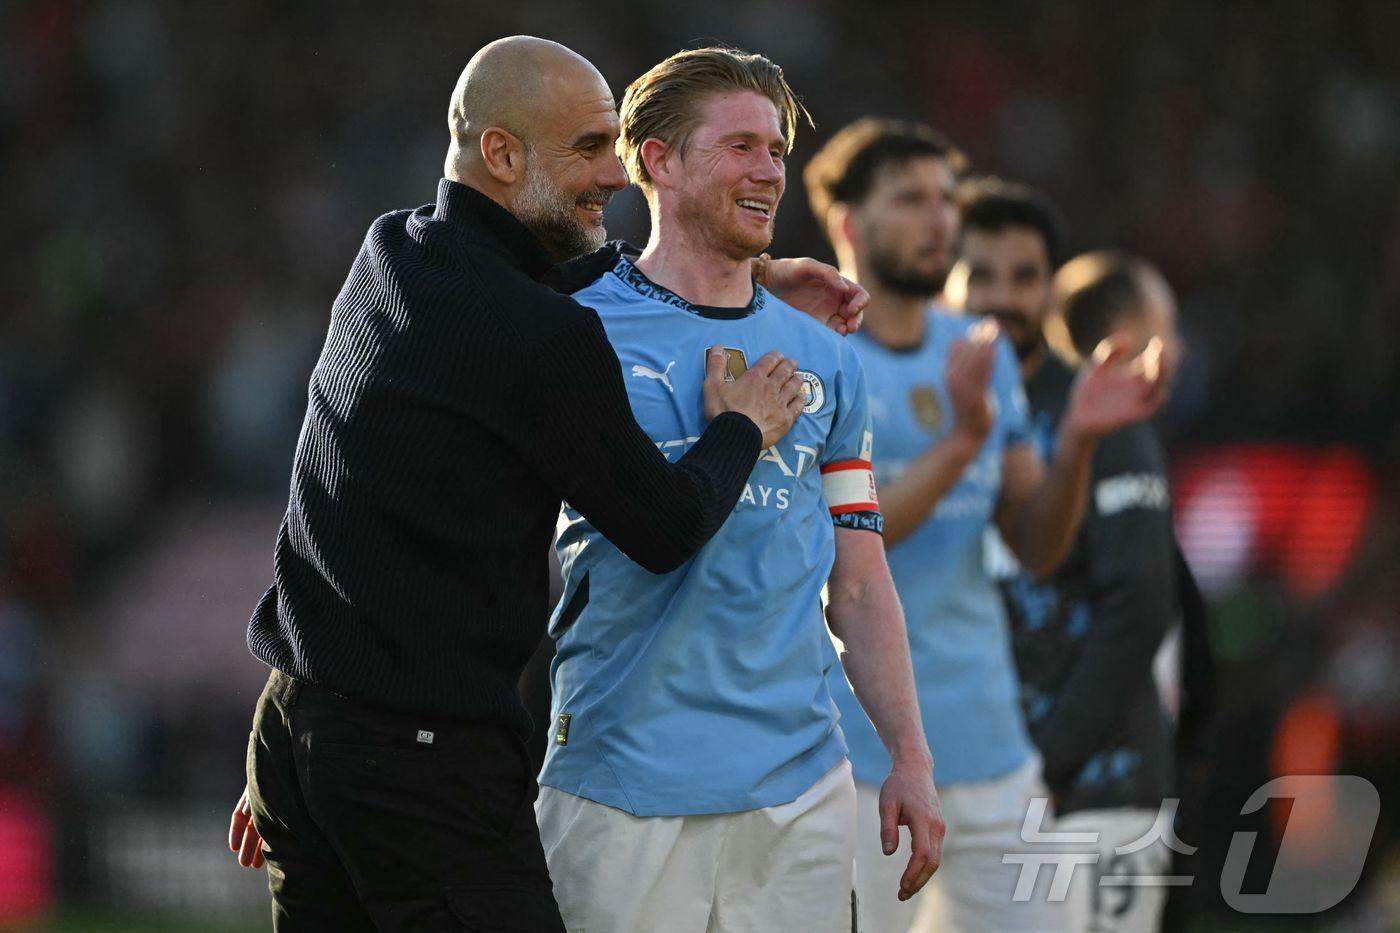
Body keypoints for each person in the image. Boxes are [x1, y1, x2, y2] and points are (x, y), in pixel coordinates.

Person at [227, 36, 866, 931]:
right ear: (502, 153)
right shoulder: (543, 337)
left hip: (298, 725)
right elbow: (666, 526)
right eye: (589, 147)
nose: (614, 173)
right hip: (422, 751)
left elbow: (542, 267)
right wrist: (741, 427)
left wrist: (748, 272)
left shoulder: (393, 250)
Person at [531, 48, 941, 933]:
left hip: (799, 794)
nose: (769, 171)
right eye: (741, 147)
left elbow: (859, 581)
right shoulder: (572, 328)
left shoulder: (826, 355)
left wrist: (910, 754)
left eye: (777, 151)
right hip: (620, 785)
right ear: (660, 162)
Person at [803, 120, 1164, 932]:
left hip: (994, 749)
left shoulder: (980, 351)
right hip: (857, 756)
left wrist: (1075, 441)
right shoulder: (817, 356)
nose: (939, 219)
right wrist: (962, 442)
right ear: (848, 222)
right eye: (910, 199)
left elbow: (1036, 545)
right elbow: (841, 549)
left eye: (945, 198)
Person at [959, 203, 1185, 931]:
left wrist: (1048, 766)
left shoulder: (1097, 405)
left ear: (1050, 290)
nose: (1002, 297)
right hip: (971, 787)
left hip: (1093, 789)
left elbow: (1142, 604)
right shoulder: (934, 409)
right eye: (980, 275)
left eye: (1025, 276)